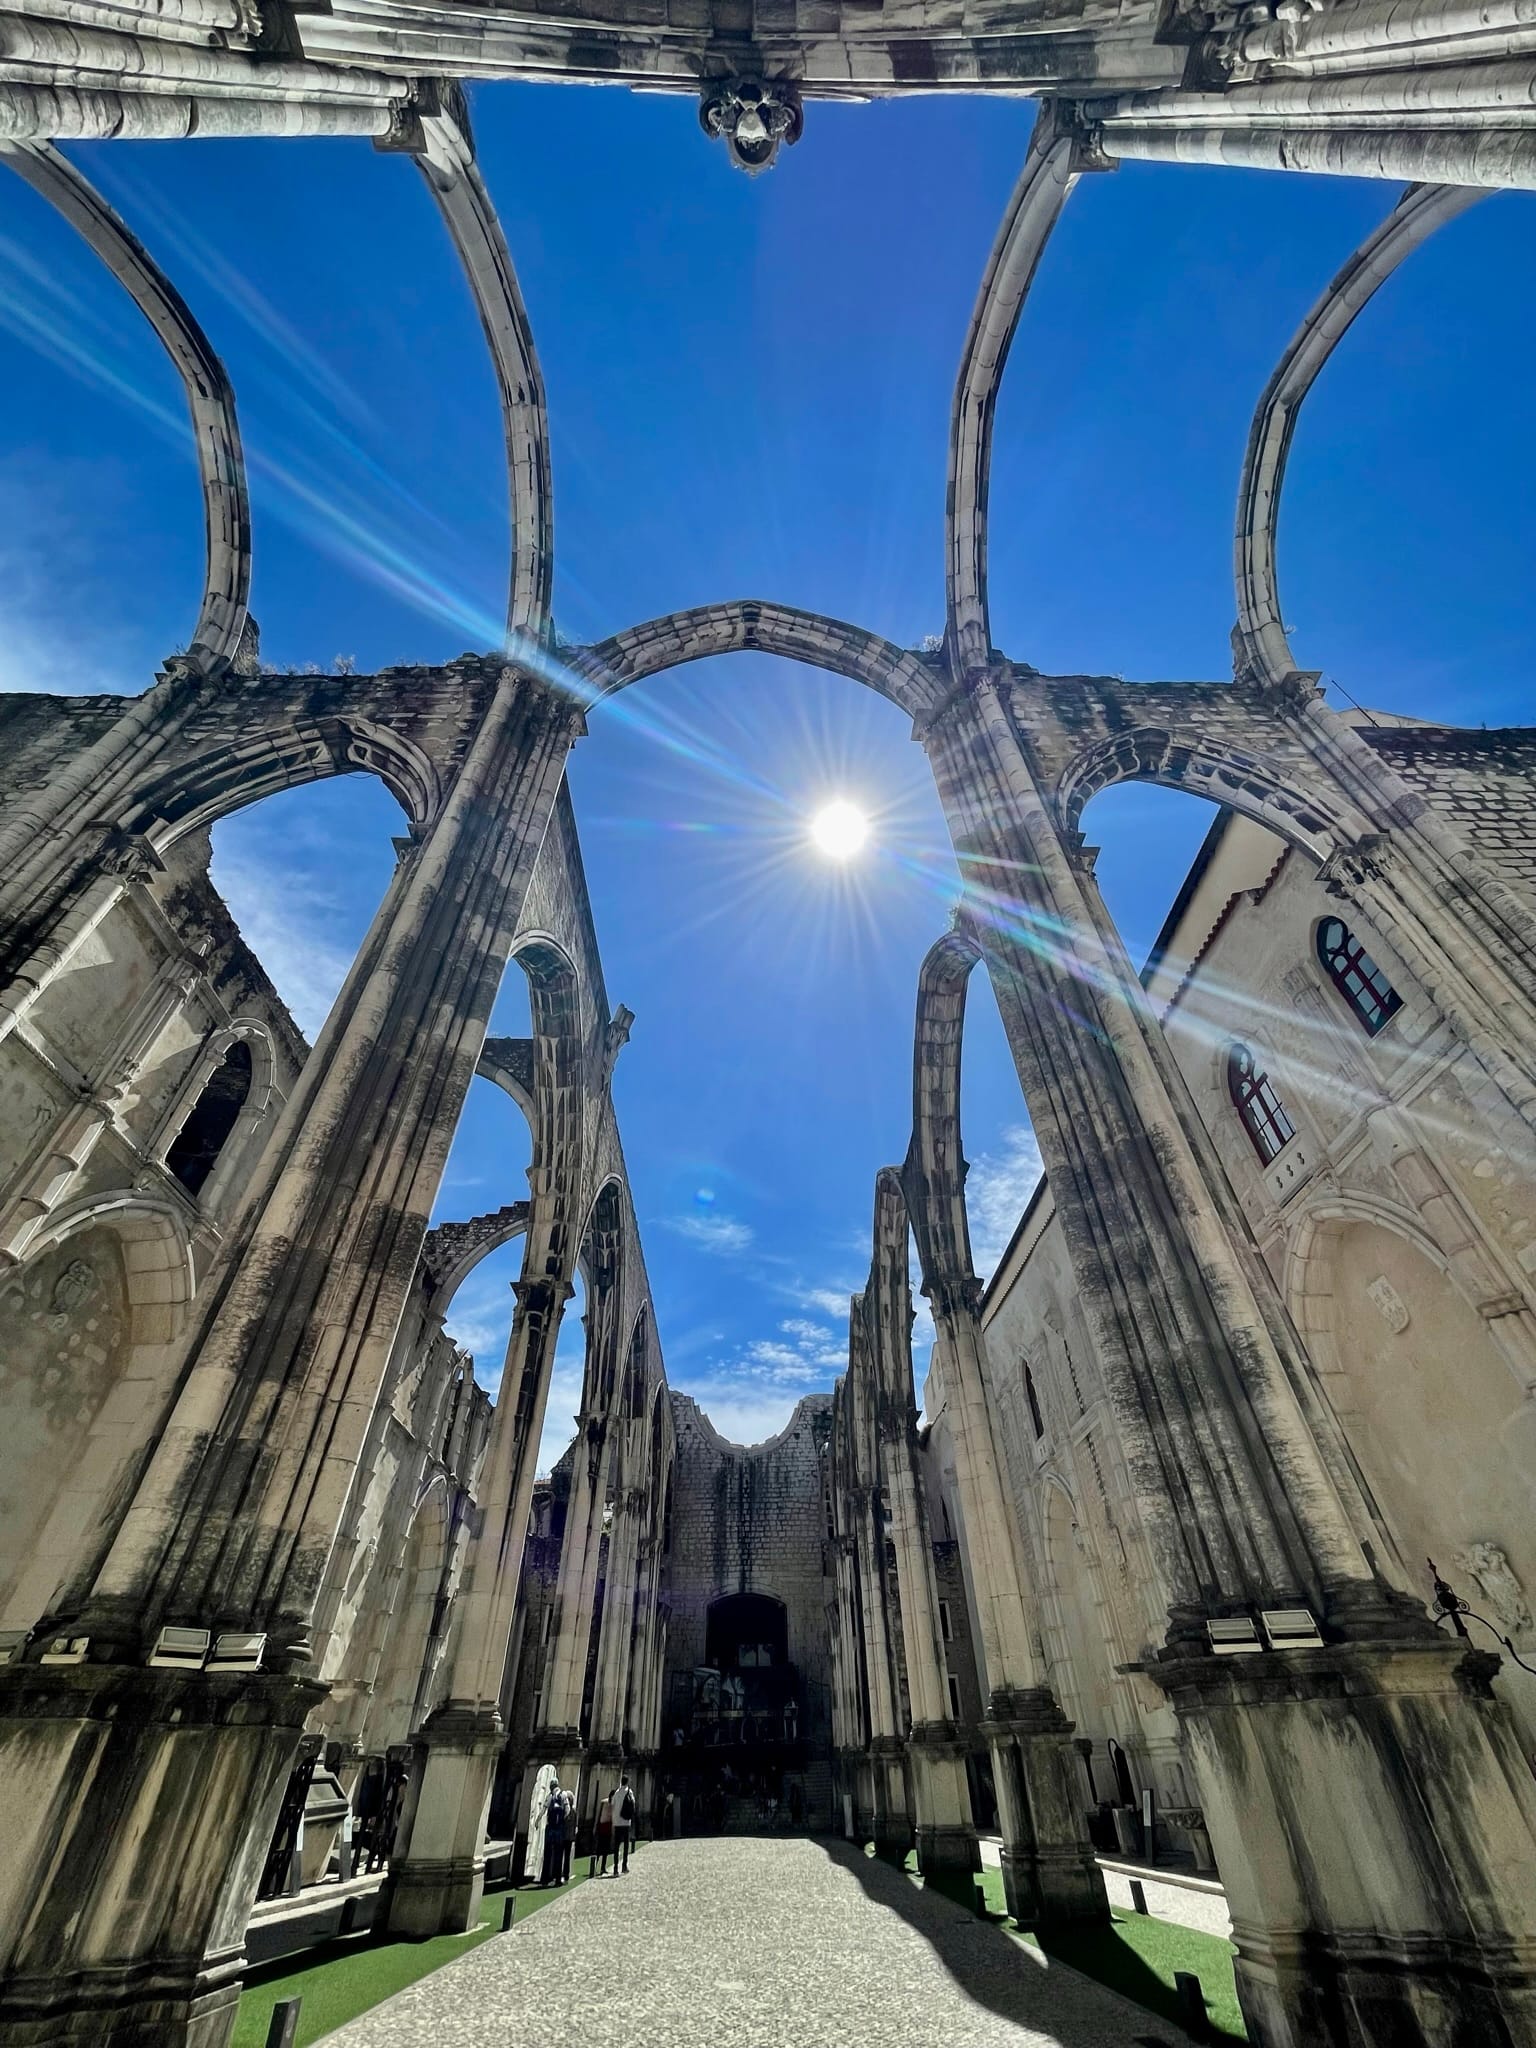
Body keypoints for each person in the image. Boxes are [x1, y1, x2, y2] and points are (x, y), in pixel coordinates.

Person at [540, 1780, 567, 1887]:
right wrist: (563, 1820)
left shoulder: (550, 1796)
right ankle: (557, 1879)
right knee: (559, 1854)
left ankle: (545, 1879)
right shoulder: (563, 1795)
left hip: (550, 1828)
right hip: (559, 1828)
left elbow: (543, 1809)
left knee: (547, 1854)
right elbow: (567, 1809)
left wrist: (538, 1820)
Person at [611, 1772, 637, 1873]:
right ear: (627, 1782)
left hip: (617, 1822)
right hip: (626, 1822)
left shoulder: (617, 1792)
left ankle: (615, 1868)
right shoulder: (629, 1792)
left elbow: (612, 1805)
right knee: (626, 1845)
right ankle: (624, 1866)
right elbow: (633, 1804)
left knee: (616, 1846)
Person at [593, 1790, 614, 1877]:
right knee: (599, 1848)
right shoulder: (604, 1802)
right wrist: (595, 1826)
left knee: (606, 1849)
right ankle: (594, 1867)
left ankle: (603, 1867)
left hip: (608, 1827)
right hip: (602, 1826)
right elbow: (598, 1814)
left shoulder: (614, 1805)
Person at [559, 1787, 576, 1884]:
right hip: (569, 1837)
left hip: (564, 1836)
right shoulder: (573, 1811)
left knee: (562, 1856)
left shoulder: (564, 1809)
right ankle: (565, 1875)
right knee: (566, 1857)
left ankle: (562, 1875)